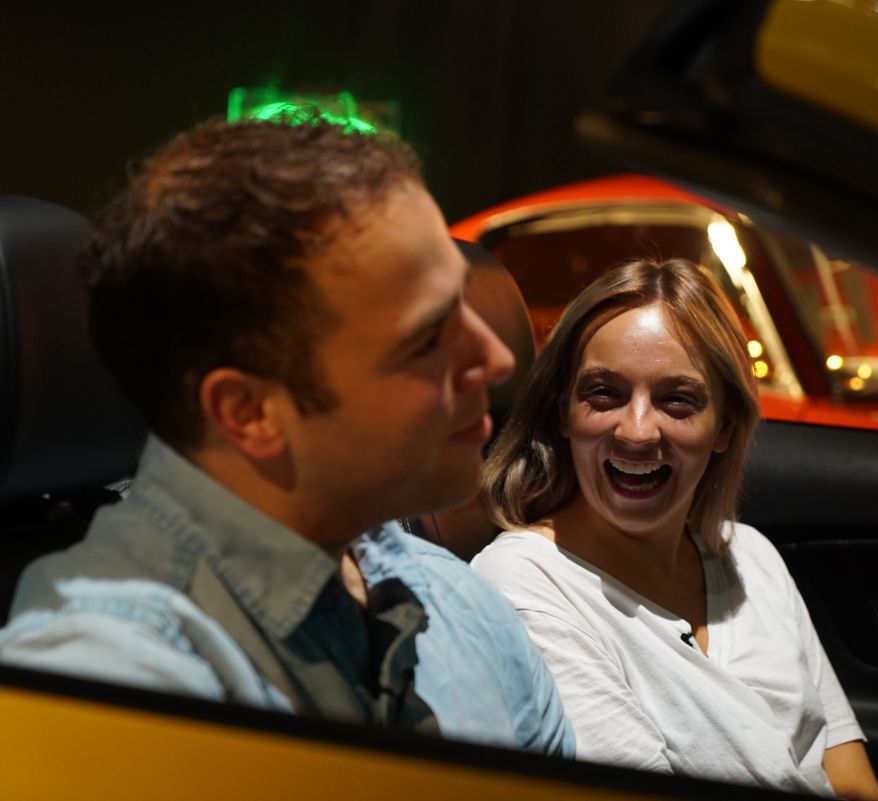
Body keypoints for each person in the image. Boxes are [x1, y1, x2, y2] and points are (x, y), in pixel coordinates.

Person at [0, 117, 573, 756]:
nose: (496, 360)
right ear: (250, 412)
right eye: (425, 338)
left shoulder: (464, 605)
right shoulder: (110, 684)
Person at [471, 258, 878, 796]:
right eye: (604, 392)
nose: (637, 431)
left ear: (725, 427)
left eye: (677, 400)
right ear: (561, 412)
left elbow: (852, 781)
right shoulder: (527, 585)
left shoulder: (751, 555)